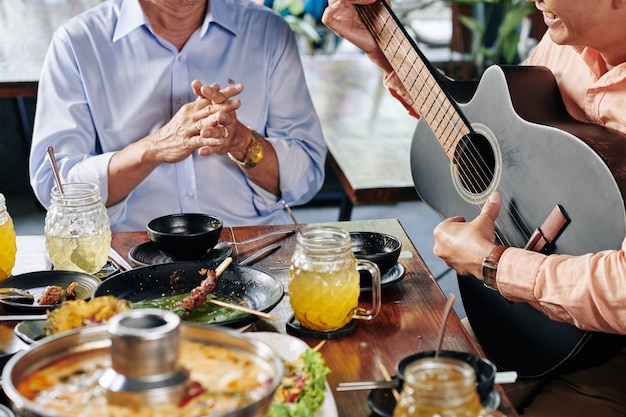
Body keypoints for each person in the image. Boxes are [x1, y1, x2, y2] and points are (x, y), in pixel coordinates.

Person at [323, 0, 626, 415]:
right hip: (513, 322)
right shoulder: (561, 44)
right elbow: (500, 133)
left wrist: (493, 263)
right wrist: (384, 49)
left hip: (613, 361)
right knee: (385, 393)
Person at [30, 0, 327, 232]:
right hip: (128, 258)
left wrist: (240, 140)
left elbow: (306, 178)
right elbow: (55, 189)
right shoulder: (78, 42)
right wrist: (154, 148)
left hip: (253, 248)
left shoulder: (268, 31)